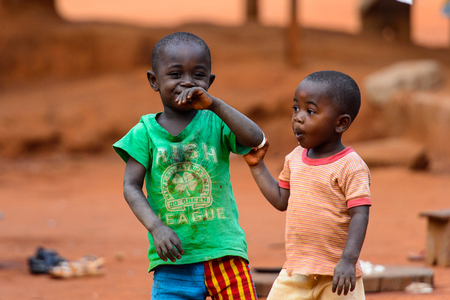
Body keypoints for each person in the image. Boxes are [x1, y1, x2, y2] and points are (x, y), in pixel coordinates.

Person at [113, 31, 264, 300]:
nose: (187, 83)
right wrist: (156, 227)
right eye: (175, 74)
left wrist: (215, 105)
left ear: (209, 81)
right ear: (154, 81)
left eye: (198, 75)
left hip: (224, 252)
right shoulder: (144, 132)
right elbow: (130, 187)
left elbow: (255, 139)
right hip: (173, 257)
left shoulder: (216, 122)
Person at [244, 70, 371, 299]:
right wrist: (257, 166)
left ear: (341, 123)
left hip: (337, 275)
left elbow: (360, 214)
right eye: (296, 108)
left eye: (310, 111)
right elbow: (282, 200)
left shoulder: (351, 165)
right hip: (296, 273)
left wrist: (348, 261)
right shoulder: (294, 158)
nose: (298, 117)